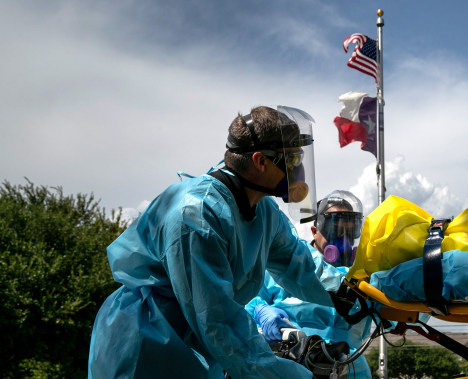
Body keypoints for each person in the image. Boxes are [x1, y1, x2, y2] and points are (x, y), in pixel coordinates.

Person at [88, 105, 336, 378]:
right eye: (291, 161)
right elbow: (220, 324)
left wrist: (354, 296)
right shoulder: (196, 216)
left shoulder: (263, 211)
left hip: (193, 341)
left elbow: (299, 265)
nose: (298, 172)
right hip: (145, 342)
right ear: (260, 161)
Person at [246, 190, 374, 378]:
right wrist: (260, 310)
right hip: (291, 365)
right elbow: (243, 303)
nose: (344, 239)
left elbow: (391, 315)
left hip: (347, 369)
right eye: (336, 230)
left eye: (350, 231)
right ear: (315, 231)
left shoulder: (361, 277)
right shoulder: (288, 264)